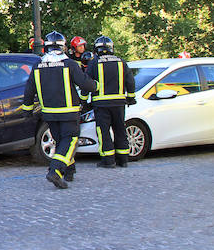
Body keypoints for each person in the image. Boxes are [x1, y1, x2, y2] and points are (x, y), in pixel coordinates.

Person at [21, 31, 97, 189]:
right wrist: (96, 85)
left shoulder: (38, 66)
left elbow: (29, 90)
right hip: (69, 112)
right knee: (70, 141)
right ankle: (55, 170)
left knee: (61, 142)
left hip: (49, 114)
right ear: (63, 47)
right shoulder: (69, 64)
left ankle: (69, 170)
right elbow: (85, 84)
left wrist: (27, 110)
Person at [85, 35, 136, 169]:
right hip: (119, 104)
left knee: (104, 132)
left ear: (97, 49)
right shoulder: (121, 62)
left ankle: (108, 160)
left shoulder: (94, 63)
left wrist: (84, 100)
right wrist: (130, 97)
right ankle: (123, 159)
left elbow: (87, 83)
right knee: (120, 129)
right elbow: (130, 81)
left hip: (101, 105)